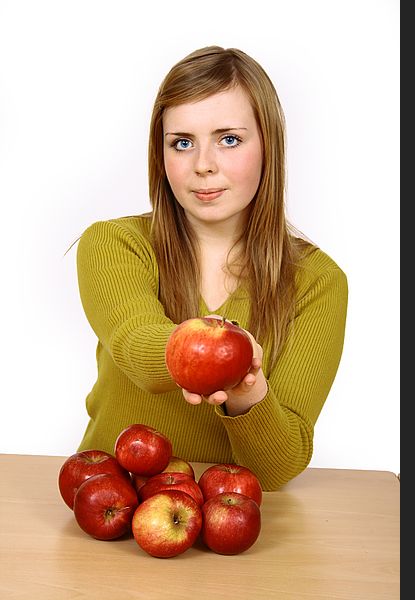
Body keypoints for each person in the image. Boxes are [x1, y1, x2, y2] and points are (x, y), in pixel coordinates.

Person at [75, 46, 348, 490]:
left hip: (230, 529)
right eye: (182, 143)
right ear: (160, 156)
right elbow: (141, 351)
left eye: (229, 139)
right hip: (111, 507)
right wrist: (221, 360)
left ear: (268, 147)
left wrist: (249, 391)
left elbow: (279, 469)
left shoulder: (318, 282)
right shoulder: (114, 244)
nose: (203, 164)